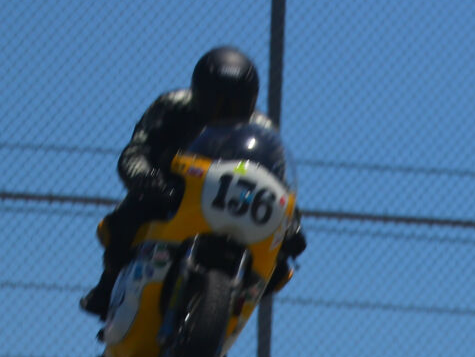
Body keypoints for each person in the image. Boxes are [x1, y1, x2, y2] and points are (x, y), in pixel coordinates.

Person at [80, 46, 306, 320]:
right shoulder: (171, 106)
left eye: (234, 103)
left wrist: (291, 223)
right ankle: (109, 285)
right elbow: (136, 151)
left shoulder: (263, 130)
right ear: (198, 93)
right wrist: (148, 179)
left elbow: (277, 185)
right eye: (216, 101)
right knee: (127, 218)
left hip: (233, 207)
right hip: (174, 194)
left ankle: (228, 315)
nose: (224, 111)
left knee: (280, 267)